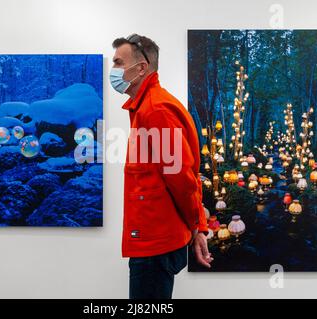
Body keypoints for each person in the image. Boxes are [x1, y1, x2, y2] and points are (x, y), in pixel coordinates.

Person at [110, 34, 214, 299]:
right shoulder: (146, 106)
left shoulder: (156, 110)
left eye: (119, 63)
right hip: (150, 238)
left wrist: (196, 227)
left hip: (155, 244)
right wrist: (197, 226)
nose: (114, 71)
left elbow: (182, 178)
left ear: (142, 67)